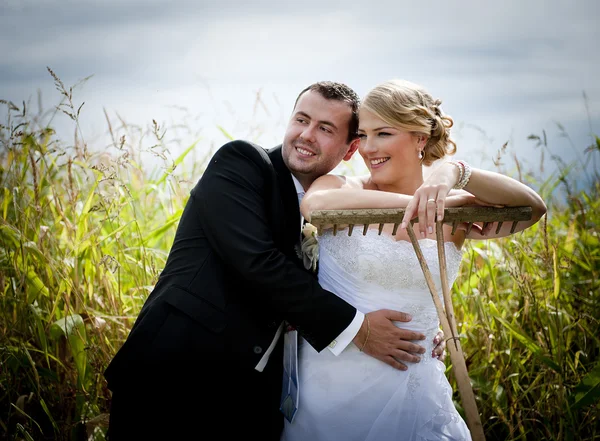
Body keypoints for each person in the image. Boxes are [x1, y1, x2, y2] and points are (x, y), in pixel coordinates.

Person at [103, 81, 450, 441]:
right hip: (175, 379)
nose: (306, 135)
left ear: (351, 150)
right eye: (301, 120)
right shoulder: (242, 164)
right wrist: (360, 331)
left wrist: (419, 329)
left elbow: (334, 284)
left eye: (325, 129)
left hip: (255, 399)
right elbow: (260, 264)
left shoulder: (334, 208)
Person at [281, 79, 547, 441]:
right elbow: (314, 206)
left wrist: (454, 173)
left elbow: (533, 208)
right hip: (328, 390)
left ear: (420, 137)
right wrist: (428, 206)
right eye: (363, 134)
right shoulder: (344, 187)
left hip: (414, 389)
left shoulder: (452, 211)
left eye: (383, 133)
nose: (368, 148)